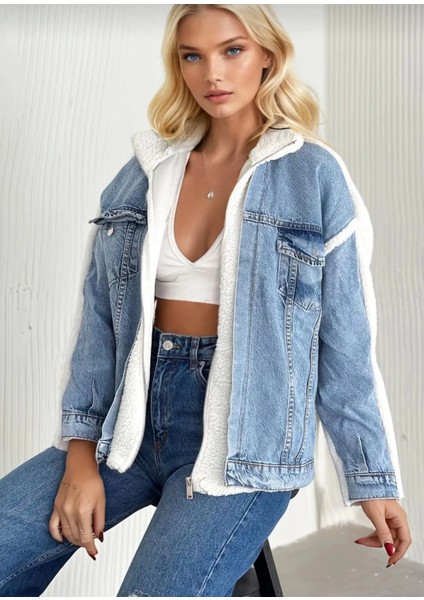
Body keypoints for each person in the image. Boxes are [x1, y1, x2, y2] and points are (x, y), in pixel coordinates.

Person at [0, 4, 411, 597]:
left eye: (232, 50)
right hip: (131, 424)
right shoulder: (145, 173)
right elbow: (100, 327)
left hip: (247, 443)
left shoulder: (314, 176)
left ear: (268, 55)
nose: (212, 73)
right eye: (192, 56)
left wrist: (372, 479)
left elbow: (346, 344)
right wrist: (81, 456)